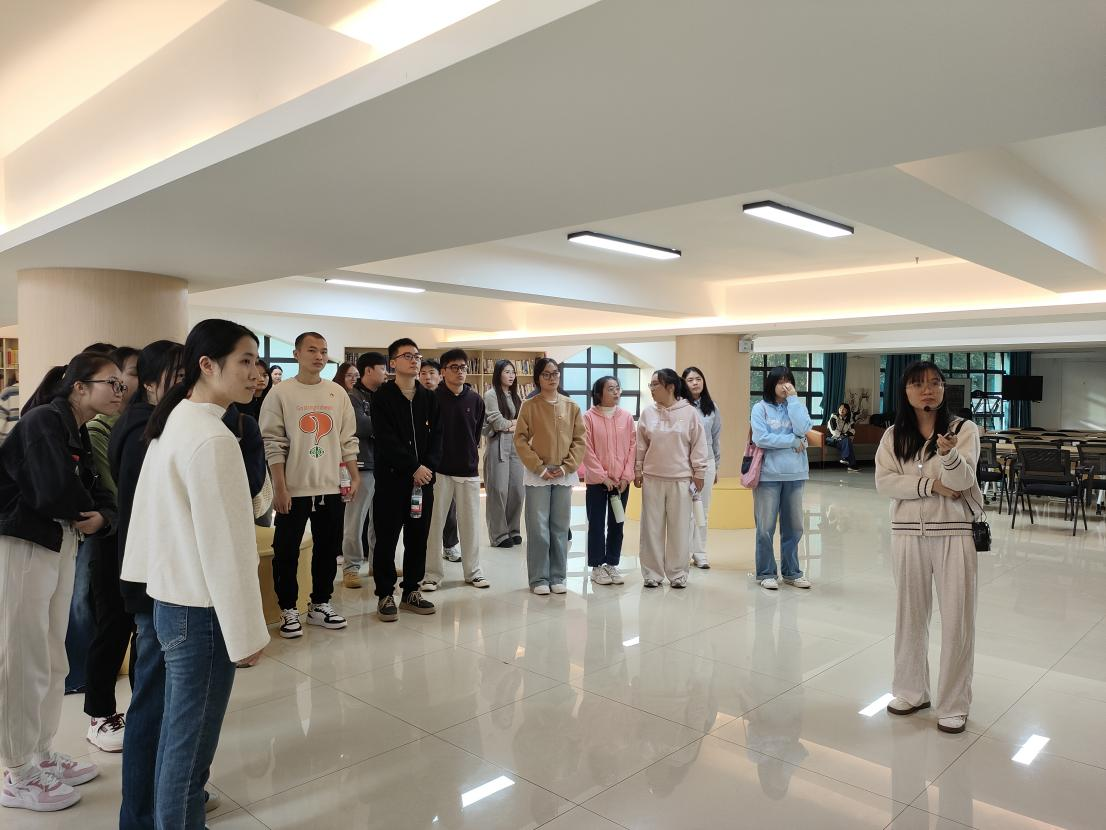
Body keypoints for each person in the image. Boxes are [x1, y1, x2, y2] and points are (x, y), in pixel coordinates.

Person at [121, 320, 270, 828]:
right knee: (187, 761)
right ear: (207, 365)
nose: (255, 372)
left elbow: (150, 521)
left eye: (256, 361)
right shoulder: (211, 437)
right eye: (244, 361)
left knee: (175, 743)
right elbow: (227, 547)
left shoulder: (176, 420)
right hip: (201, 612)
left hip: (172, 600)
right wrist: (246, 634)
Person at [0, 352, 120, 812]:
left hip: (60, 539)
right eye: (112, 382)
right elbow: (53, 490)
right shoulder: (43, 422)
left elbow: (98, 491)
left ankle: (40, 751)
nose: (120, 391)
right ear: (79, 386)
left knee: (52, 655)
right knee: (22, 656)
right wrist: (96, 511)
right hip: (25, 542)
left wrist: (103, 515)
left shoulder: (76, 429)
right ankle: (17, 770)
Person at [875, 361, 981, 735]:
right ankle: (911, 691)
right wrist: (930, 485)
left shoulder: (963, 430)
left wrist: (949, 456)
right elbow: (885, 482)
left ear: (943, 390)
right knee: (909, 616)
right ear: (905, 392)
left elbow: (963, 481)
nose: (928, 390)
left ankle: (953, 704)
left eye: (935, 383)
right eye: (918, 384)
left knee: (957, 621)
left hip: (954, 532)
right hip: (906, 533)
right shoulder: (893, 436)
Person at [260, 332, 360, 639]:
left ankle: (320, 604)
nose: (319, 356)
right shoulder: (280, 393)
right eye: (312, 350)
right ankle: (288, 608)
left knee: (328, 549)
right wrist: (280, 487)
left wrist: (354, 475)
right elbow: (273, 443)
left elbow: (347, 440)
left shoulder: (337, 393)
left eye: (324, 351)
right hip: (294, 488)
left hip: (331, 486)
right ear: (296, 354)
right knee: (286, 550)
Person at [82, 346, 140, 753]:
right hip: (113, 541)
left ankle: (142, 709)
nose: (124, 387)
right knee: (113, 628)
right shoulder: (99, 429)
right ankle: (99, 714)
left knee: (144, 631)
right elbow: (115, 491)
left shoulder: (147, 423)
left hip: (143, 539)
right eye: (122, 378)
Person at [372, 338, 441, 621]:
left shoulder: (429, 398)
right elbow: (386, 440)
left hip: (422, 484)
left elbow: (438, 438)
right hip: (391, 482)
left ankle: (412, 590)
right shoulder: (382, 396)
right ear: (393, 362)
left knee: (418, 537)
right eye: (408, 356)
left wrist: (427, 469)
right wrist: (413, 467)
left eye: (417, 356)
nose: (414, 361)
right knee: (387, 539)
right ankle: (385, 593)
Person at [514, 358, 585, 595]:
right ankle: (539, 579)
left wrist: (567, 467)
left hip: (563, 473)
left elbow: (579, 440)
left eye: (555, 373)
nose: (552, 378)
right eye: (546, 374)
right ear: (538, 378)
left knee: (560, 527)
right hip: (539, 473)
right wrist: (539, 468)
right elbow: (520, 439)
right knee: (538, 527)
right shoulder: (529, 405)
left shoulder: (571, 406)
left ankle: (558, 576)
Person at [634, 369, 709, 588]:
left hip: (681, 480)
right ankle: (652, 573)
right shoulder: (648, 413)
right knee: (651, 529)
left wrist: (699, 473)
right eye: (650, 385)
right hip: (652, 479)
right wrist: (638, 470)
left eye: (655, 384)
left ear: (670, 387)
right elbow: (640, 445)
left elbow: (699, 445)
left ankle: (677, 574)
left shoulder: (690, 412)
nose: (651, 389)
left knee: (680, 529)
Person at [423, 349, 489, 591]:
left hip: (468, 470)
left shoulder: (476, 400)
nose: (460, 372)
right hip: (439, 471)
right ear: (443, 371)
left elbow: (475, 434)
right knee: (434, 525)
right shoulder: (432, 399)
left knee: (470, 525)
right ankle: (432, 574)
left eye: (463, 367)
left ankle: (473, 572)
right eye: (454, 367)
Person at [751, 367, 813, 591]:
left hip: (796, 474)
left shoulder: (796, 405)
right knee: (765, 527)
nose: (785, 386)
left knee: (794, 527)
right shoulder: (760, 408)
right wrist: (792, 441)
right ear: (771, 384)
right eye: (780, 381)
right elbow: (761, 438)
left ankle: (792, 572)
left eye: (788, 381)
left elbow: (804, 428)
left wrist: (794, 400)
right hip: (768, 475)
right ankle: (766, 572)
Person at [581, 376, 635, 586]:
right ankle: (597, 566)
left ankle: (612, 563)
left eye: (618, 388)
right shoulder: (588, 418)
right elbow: (586, 449)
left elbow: (633, 447)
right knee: (596, 524)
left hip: (621, 482)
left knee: (617, 524)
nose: (616, 392)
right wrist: (603, 476)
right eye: (611, 389)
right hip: (597, 482)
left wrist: (626, 476)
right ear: (599, 393)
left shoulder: (626, 417)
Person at [341, 352, 386, 589]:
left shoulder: (384, 395)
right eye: (382, 369)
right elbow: (360, 426)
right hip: (361, 466)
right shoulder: (352, 397)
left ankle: (378, 564)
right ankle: (351, 567)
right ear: (368, 370)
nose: (386, 373)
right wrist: (387, 423)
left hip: (384, 465)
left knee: (380, 521)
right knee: (355, 520)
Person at [418, 358, 461, 561]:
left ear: (440, 375)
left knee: (448, 508)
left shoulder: (447, 399)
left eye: (432, 373)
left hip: (445, 462)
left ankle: (450, 545)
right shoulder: (415, 399)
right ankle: (425, 549)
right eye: (423, 373)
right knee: (421, 508)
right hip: (420, 464)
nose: (428, 377)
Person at [683, 366, 721, 569]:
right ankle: (683, 553)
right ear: (683, 383)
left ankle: (700, 553)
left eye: (698, 378)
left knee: (702, 509)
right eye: (690, 380)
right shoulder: (680, 406)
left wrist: (716, 465)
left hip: (707, 462)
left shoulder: (712, 407)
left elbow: (715, 438)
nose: (695, 383)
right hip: (683, 464)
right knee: (684, 511)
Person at [483, 359, 524, 548]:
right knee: (498, 490)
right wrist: (513, 424)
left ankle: (513, 529)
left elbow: (524, 423)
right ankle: (499, 535)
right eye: (507, 372)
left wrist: (511, 425)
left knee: (517, 490)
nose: (511, 375)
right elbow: (498, 424)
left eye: (513, 372)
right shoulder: (490, 394)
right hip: (497, 444)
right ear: (498, 374)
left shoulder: (516, 396)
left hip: (516, 445)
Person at [827, 402, 860, 472]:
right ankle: (850, 463)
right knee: (847, 441)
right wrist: (845, 435)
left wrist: (845, 436)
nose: (841, 410)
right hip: (832, 439)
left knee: (847, 441)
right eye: (840, 408)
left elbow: (852, 431)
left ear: (847, 411)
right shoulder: (833, 418)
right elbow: (834, 431)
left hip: (843, 439)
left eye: (844, 409)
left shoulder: (849, 420)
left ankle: (847, 461)